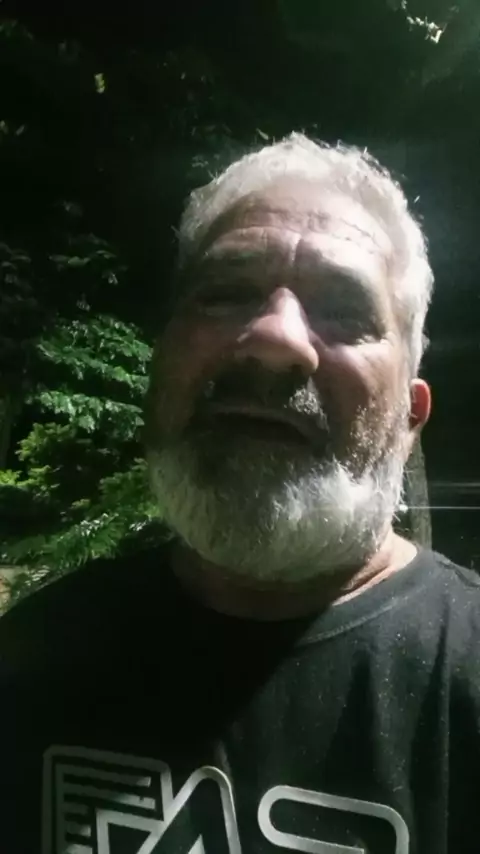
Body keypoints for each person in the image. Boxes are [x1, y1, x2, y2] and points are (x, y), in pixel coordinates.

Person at [1, 133, 479, 854]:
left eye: (344, 309)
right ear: (161, 367)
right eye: (224, 294)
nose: (274, 339)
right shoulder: (31, 655)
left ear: (410, 419)